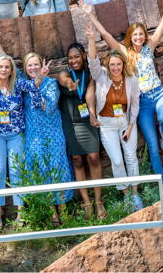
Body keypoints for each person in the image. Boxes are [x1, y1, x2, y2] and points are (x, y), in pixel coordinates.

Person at [81, 0, 163, 180]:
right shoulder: (123, 52)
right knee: (152, 144)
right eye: (135, 35)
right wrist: (90, 15)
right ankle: (162, 183)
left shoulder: (149, 47)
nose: (139, 37)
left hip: (158, 93)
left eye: (141, 34)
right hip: (141, 101)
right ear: (130, 37)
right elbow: (106, 35)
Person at [0, 25, 45, 228]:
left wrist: (41, 75)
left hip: (15, 134)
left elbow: (34, 85)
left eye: (7, 67)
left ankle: (20, 211)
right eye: (1, 67)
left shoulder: (19, 84)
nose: (4, 69)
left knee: (16, 171)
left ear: (11, 70)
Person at [85, 25, 144, 211]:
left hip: (126, 123)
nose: (116, 68)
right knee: (117, 161)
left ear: (123, 64)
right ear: (108, 66)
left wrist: (130, 126)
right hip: (108, 125)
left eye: (119, 64)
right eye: (112, 65)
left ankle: (135, 196)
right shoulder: (101, 76)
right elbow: (92, 61)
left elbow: (135, 103)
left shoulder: (131, 79)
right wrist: (91, 39)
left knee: (131, 157)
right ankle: (126, 194)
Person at [54, 32, 105, 219]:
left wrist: (92, 115)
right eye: (70, 57)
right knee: (77, 159)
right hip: (69, 122)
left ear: (83, 56)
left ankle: (99, 202)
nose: (74, 60)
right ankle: (86, 203)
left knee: (93, 157)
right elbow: (61, 78)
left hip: (87, 119)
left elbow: (90, 93)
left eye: (77, 56)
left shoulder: (90, 73)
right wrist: (68, 83)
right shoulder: (65, 72)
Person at [20, 50, 74, 225]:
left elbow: (48, 107)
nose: (34, 68)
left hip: (53, 132)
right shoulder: (24, 85)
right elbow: (6, 66)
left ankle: (63, 207)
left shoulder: (50, 83)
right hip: (33, 134)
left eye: (36, 64)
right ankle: (52, 209)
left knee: (58, 167)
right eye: (30, 65)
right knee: (41, 168)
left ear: (42, 65)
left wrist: (40, 81)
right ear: (25, 68)